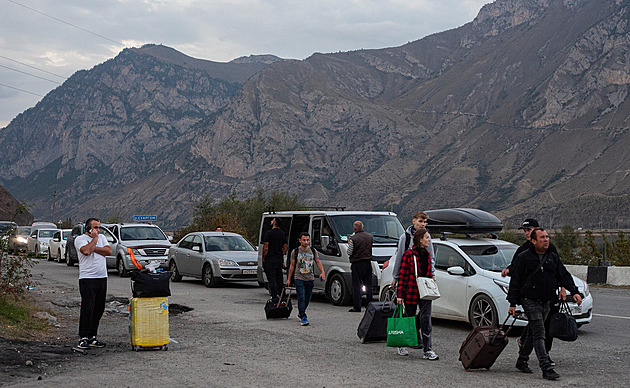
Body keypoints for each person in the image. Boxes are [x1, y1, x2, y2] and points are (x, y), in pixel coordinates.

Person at [508, 228, 583, 380]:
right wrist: (513, 303)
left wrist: (574, 291)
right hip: (529, 300)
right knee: (539, 332)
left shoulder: (552, 257)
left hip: (547, 301)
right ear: (533, 241)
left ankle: (522, 360)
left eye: (547, 237)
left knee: (532, 331)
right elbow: (515, 281)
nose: (546, 240)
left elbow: (563, 275)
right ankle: (546, 367)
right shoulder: (524, 258)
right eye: (542, 237)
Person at [502, 218, 564, 366]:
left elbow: (558, 270)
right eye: (525, 231)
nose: (527, 234)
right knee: (539, 330)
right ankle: (545, 363)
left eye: (529, 230)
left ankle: (524, 356)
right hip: (530, 296)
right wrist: (508, 271)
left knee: (542, 327)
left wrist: (563, 288)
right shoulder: (522, 251)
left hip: (548, 296)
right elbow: (515, 271)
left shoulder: (550, 249)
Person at [395, 228, 439, 360]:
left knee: (426, 319)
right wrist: (400, 295)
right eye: (426, 237)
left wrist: (432, 278)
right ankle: (402, 343)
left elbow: (429, 271)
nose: (428, 240)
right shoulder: (408, 255)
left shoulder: (427, 254)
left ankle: (428, 349)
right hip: (411, 291)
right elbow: (403, 276)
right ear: (420, 239)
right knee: (408, 318)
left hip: (425, 292)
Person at [75, 218, 111, 350]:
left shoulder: (102, 237)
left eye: (99, 227)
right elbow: (86, 251)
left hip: (101, 277)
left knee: (99, 308)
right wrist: (94, 241)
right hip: (87, 278)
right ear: (87, 228)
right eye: (95, 227)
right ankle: (83, 337)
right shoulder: (80, 239)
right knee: (87, 308)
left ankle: (92, 336)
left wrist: (94, 246)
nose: (97, 230)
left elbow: (108, 251)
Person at [286, 232, 325, 326]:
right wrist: (289, 279)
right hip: (299, 277)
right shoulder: (295, 252)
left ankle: (301, 313)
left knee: (307, 298)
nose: (306, 242)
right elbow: (292, 266)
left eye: (307, 240)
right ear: (300, 240)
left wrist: (322, 272)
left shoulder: (312, 251)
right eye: (304, 240)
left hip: (310, 278)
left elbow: (318, 262)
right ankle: (303, 316)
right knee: (301, 297)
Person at [391, 212, 435, 289]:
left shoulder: (427, 237)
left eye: (425, 222)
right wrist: (395, 277)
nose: (423, 224)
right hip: (409, 276)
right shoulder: (405, 237)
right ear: (414, 221)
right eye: (420, 221)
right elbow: (399, 257)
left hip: (424, 275)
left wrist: (432, 273)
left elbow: (431, 257)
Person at [346, 221, 373, 313]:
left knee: (357, 285)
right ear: (363, 227)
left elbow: (349, 252)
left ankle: (357, 306)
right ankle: (369, 305)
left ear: (354, 229)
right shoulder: (370, 236)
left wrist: (349, 244)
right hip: (368, 262)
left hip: (357, 263)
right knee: (369, 285)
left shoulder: (353, 238)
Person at [262, 218, 287, 300]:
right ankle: (282, 294)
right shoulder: (283, 234)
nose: (271, 221)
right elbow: (285, 247)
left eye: (273, 220)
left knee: (271, 278)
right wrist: (281, 255)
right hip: (278, 259)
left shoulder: (269, 233)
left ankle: (274, 296)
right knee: (279, 278)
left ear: (274, 223)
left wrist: (263, 258)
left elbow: (266, 247)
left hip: (270, 259)